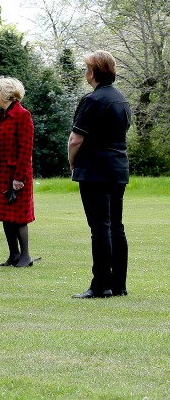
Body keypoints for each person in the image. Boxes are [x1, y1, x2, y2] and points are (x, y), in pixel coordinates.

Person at [68, 50, 133, 299]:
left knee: (100, 227)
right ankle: (119, 284)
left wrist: (72, 162)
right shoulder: (122, 100)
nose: (85, 73)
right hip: (118, 168)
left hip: (94, 169)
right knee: (116, 225)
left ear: (93, 72)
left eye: (87, 69)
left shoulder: (92, 100)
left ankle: (100, 285)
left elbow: (76, 139)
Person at [0, 77, 36, 268]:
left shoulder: (22, 115)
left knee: (18, 216)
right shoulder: (2, 115)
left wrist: (19, 178)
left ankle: (25, 256)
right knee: (6, 215)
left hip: (16, 174)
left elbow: (25, 149)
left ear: (6, 93)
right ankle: (13, 255)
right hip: (1, 174)